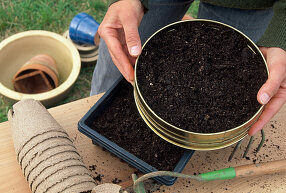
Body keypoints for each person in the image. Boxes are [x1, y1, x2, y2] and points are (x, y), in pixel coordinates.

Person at [91, 0, 286, 136]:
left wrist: (282, 37)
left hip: (245, 4)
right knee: (120, 57)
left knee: (229, 95)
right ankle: (93, 118)